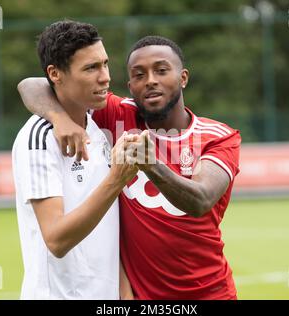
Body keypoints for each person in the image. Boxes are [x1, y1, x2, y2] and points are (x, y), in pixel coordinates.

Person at [18, 35, 241, 300]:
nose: (150, 80)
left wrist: (150, 164)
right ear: (130, 86)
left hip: (209, 294)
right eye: (139, 74)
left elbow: (200, 199)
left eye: (161, 70)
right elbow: (31, 85)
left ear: (183, 78)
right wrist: (58, 117)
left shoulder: (217, 136)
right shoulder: (117, 114)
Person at [12, 20, 137, 300]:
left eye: (105, 64)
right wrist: (117, 179)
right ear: (55, 74)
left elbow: (105, 230)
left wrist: (124, 294)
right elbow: (56, 239)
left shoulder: (95, 127)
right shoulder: (39, 138)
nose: (105, 77)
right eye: (91, 68)